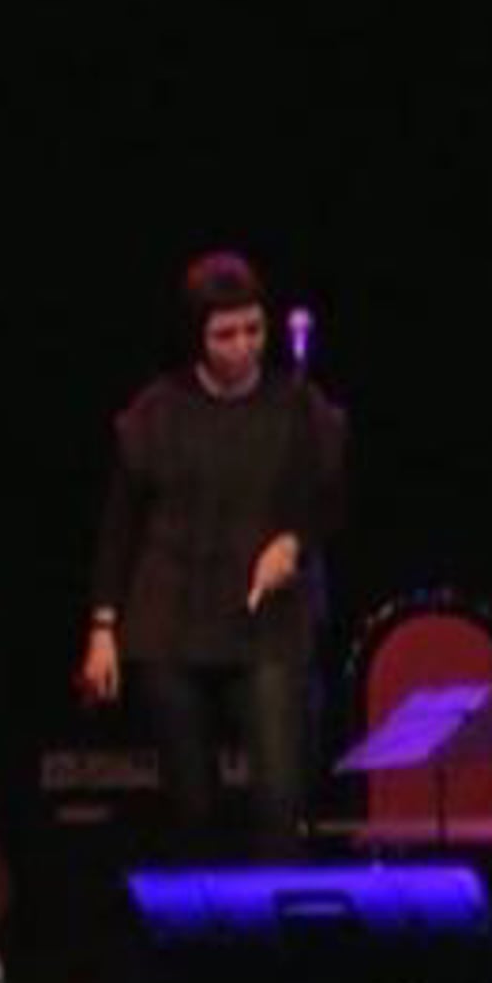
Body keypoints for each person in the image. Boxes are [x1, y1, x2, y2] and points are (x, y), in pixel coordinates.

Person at [81, 251, 347, 862]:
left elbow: (331, 503)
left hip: (267, 625)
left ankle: (276, 914)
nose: (243, 346)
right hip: (171, 621)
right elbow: (120, 526)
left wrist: (293, 542)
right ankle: (200, 917)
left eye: (254, 329)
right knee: (191, 807)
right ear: (196, 338)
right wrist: (102, 629)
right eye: (225, 335)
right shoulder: (158, 412)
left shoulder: (297, 405)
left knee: (280, 798)